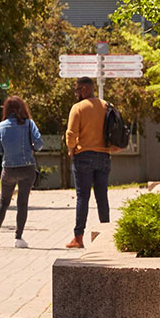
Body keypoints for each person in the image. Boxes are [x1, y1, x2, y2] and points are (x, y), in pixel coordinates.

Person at [0, 95, 41, 249]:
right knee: (22, 203)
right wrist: (30, 148)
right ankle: (18, 238)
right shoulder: (29, 124)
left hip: (8, 169)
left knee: (3, 202)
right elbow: (39, 143)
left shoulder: (0, 126)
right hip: (27, 168)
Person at [64, 77, 112, 248]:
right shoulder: (106, 105)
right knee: (102, 197)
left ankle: (78, 238)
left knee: (83, 197)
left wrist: (71, 148)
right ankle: (107, 236)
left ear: (84, 89)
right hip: (104, 156)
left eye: (77, 89)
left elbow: (71, 134)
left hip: (83, 156)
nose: (77, 93)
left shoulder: (78, 108)